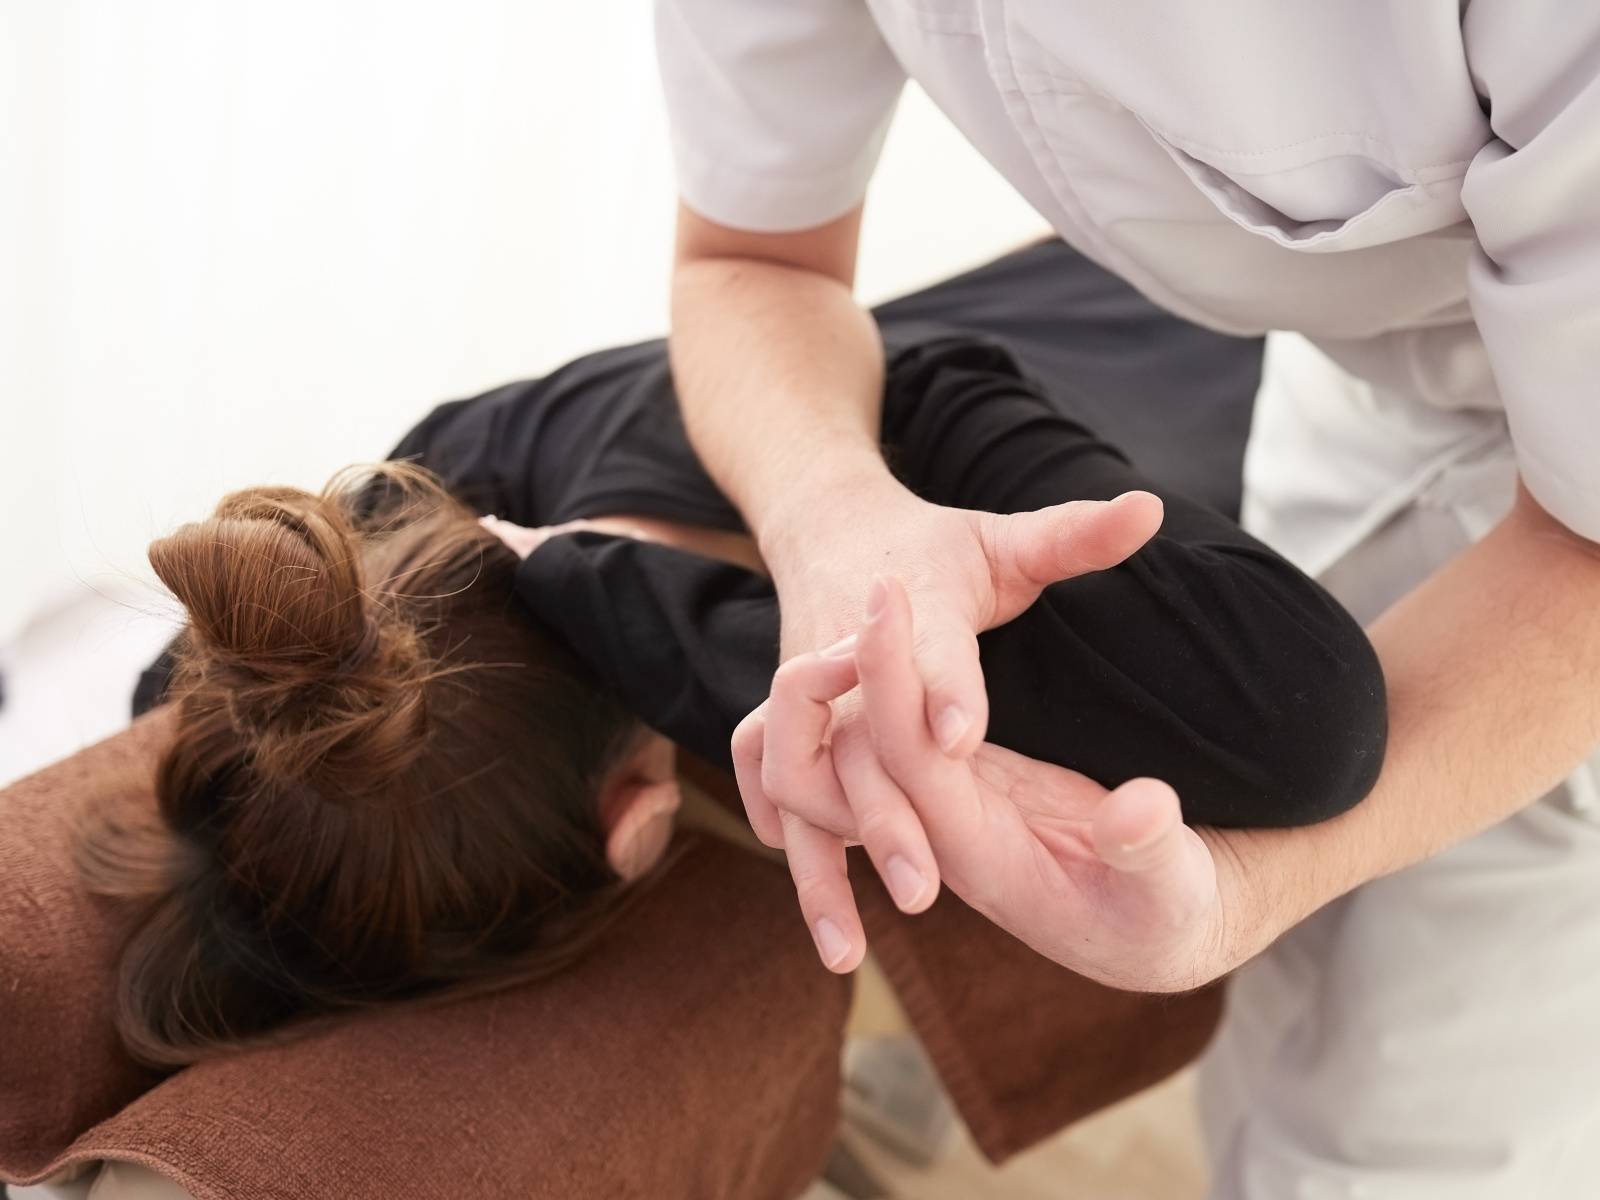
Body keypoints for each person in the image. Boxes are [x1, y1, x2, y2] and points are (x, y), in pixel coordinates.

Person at [654, 3, 1600, 1195]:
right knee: (1279, 999)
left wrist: (1247, 894)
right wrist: (828, 516)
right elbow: (750, 260)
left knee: (1409, 1133)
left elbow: (1589, 554)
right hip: (1351, 373)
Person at [97, 285, 1382, 1066]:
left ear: (637, 829)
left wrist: (663, 619)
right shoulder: (455, 485)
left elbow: (1314, 728)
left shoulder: (921, 650)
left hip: (1348, 396)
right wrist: (599, 585)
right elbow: (179, 684)